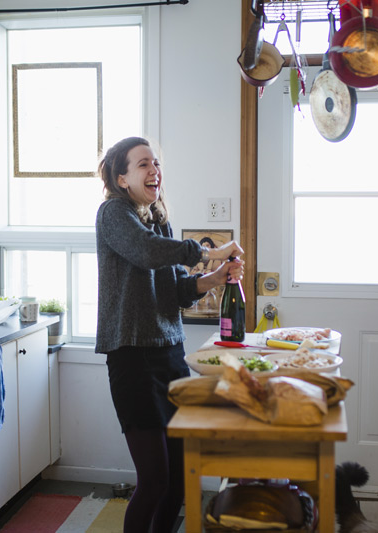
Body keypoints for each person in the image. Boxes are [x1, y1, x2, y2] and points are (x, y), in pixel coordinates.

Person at [95, 136, 244, 533]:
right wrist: (208, 252)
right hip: (132, 358)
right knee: (155, 480)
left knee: (179, 481)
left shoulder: (159, 220)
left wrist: (213, 277)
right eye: (143, 164)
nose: (153, 170)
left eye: (155, 163)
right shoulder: (113, 214)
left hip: (170, 355)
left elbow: (177, 291)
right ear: (122, 178)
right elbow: (145, 252)